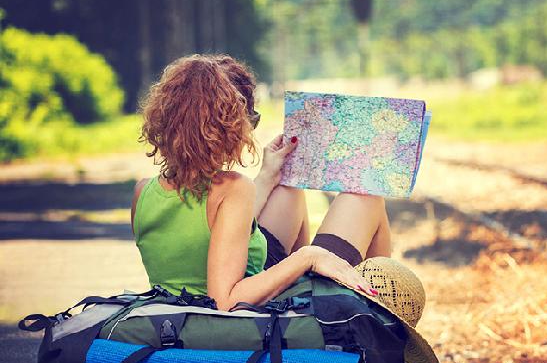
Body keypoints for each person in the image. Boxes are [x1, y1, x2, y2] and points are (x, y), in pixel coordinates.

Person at [131, 54, 393, 311]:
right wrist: (308, 258)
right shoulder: (233, 188)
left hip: (182, 313)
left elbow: (205, 231)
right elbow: (223, 301)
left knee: (288, 187)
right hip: (243, 315)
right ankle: (375, 321)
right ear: (228, 128)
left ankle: (314, 291)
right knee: (367, 197)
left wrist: (266, 177)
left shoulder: (142, 192)